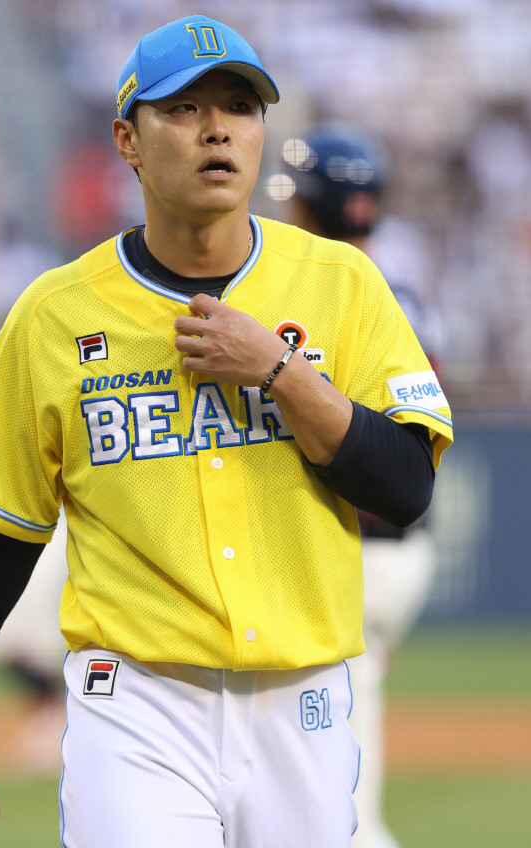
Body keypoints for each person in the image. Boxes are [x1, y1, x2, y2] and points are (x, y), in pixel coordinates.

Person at [0, 17, 452, 848]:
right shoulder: (54, 314)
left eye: (240, 106)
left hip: (306, 702)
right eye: (182, 109)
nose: (217, 126)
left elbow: (405, 488)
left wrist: (280, 371)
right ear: (128, 140)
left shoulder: (344, 285)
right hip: (134, 700)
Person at [282, 123, 444, 848]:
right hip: (401, 550)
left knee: (329, 788)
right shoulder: (401, 288)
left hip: (351, 545)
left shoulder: (331, 294)